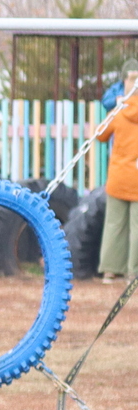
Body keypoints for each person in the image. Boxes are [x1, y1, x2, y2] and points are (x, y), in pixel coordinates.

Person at [93, 70, 138, 281]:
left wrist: (115, 107)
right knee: (136, 228)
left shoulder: (120, 111)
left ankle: (110, 270)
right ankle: (133, 272)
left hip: (119, 176)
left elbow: (100, 135)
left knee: (114, 225)